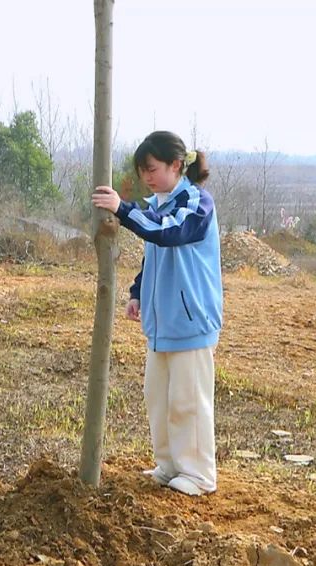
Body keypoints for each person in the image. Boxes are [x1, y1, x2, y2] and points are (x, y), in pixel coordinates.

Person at [92, 130, 223, 496]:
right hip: (161, 323)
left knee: (188, 400)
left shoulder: (197, 204)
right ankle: (169, 465)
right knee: (159, 397)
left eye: (152, 168)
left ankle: (198, 473)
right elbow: (154, 253)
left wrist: (123, 208)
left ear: (177, 165)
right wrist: (137, 292)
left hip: (190, 320)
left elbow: (168, 234)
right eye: (142, 171)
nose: (146, 177)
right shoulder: (159, 205)